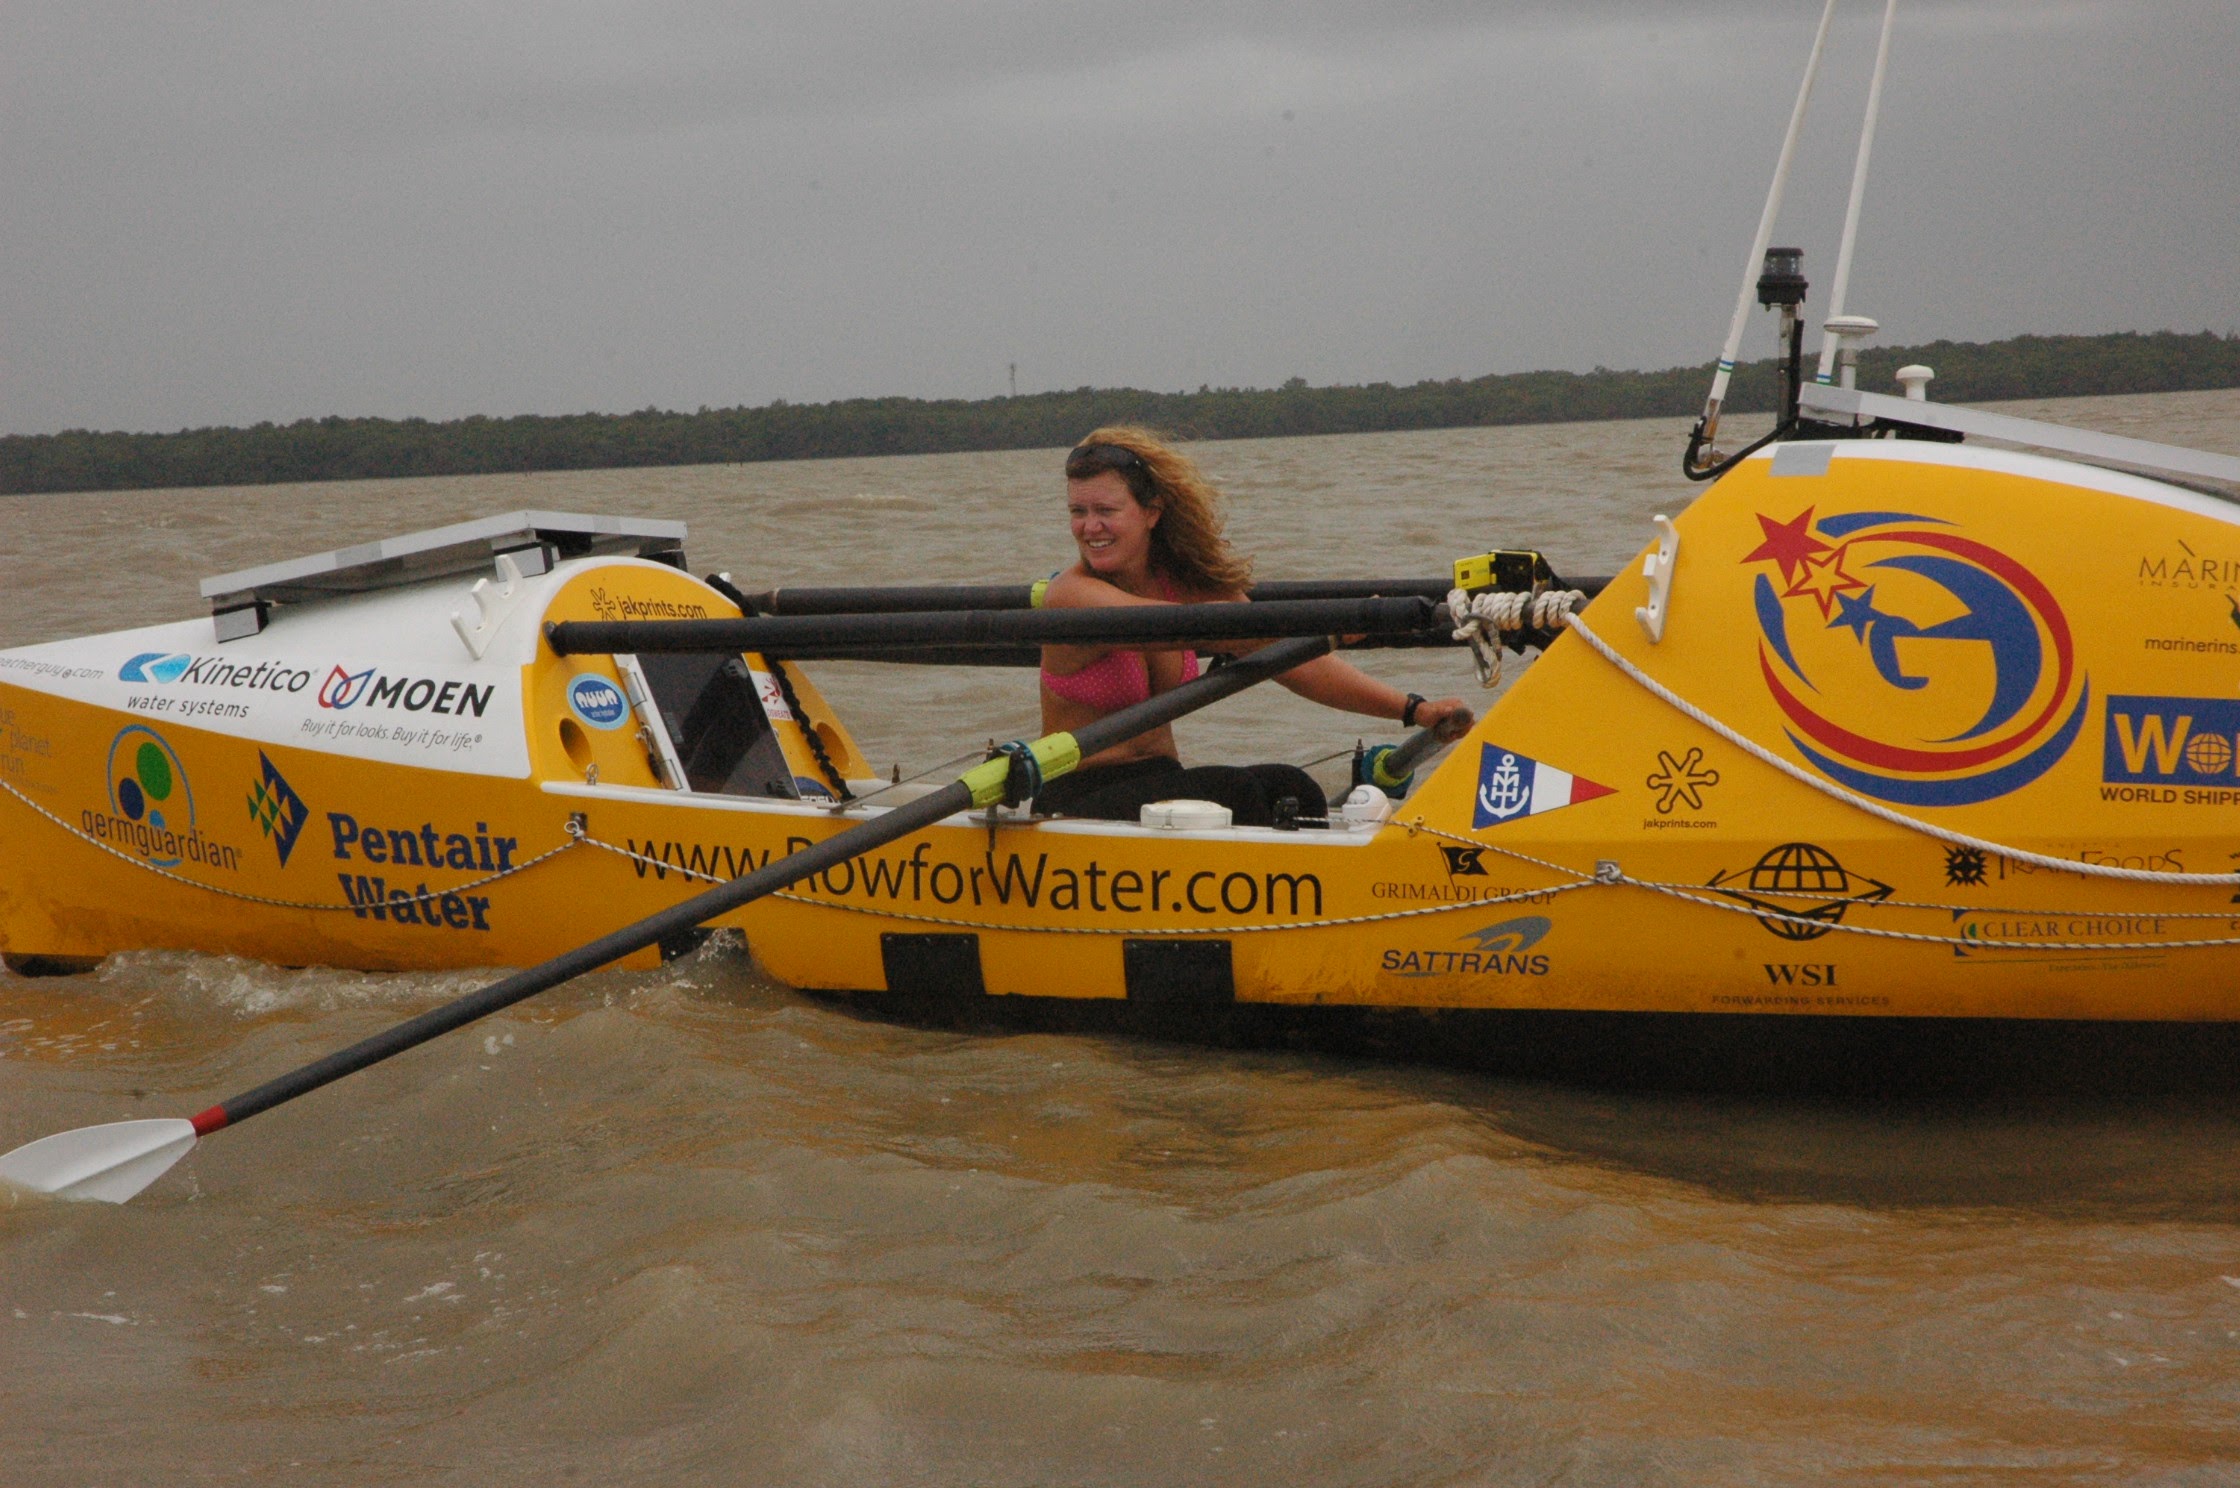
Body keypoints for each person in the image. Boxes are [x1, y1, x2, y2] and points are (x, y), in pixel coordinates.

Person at [1033, 425, 1472, 826]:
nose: (1090, 527)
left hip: (1160, 784)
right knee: (1236, 791)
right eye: (1078, 511)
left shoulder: (1182, 585)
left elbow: (1286, 659)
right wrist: (1329, 626)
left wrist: (1412, 708)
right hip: (1074, 800)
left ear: (1152, 513)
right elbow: (1216, 631)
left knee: (1290, 786)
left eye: (1106, 510)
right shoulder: (1071, 596)